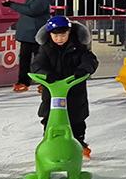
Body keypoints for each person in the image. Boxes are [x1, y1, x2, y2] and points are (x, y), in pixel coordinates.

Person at [31, 15, 99, 158]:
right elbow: (37, 65)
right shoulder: (46, 48)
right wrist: (46, 74)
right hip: (53, 91)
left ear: (69, 33)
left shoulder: (78, 47)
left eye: (63, 35)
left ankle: (79, 142)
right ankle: (49, 141)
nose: (59, 38)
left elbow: (90, 60)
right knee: (50, 117)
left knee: (76, 119)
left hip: (74, 91)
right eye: (55, 35)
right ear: (49, 35)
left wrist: (83, 70)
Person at [3, 0, 56, 92]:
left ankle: (45, 82)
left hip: (36, 34)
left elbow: (32, 10)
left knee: (40, 59)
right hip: (28, 34)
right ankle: (23, 82)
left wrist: (12, 4)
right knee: (25, 59)